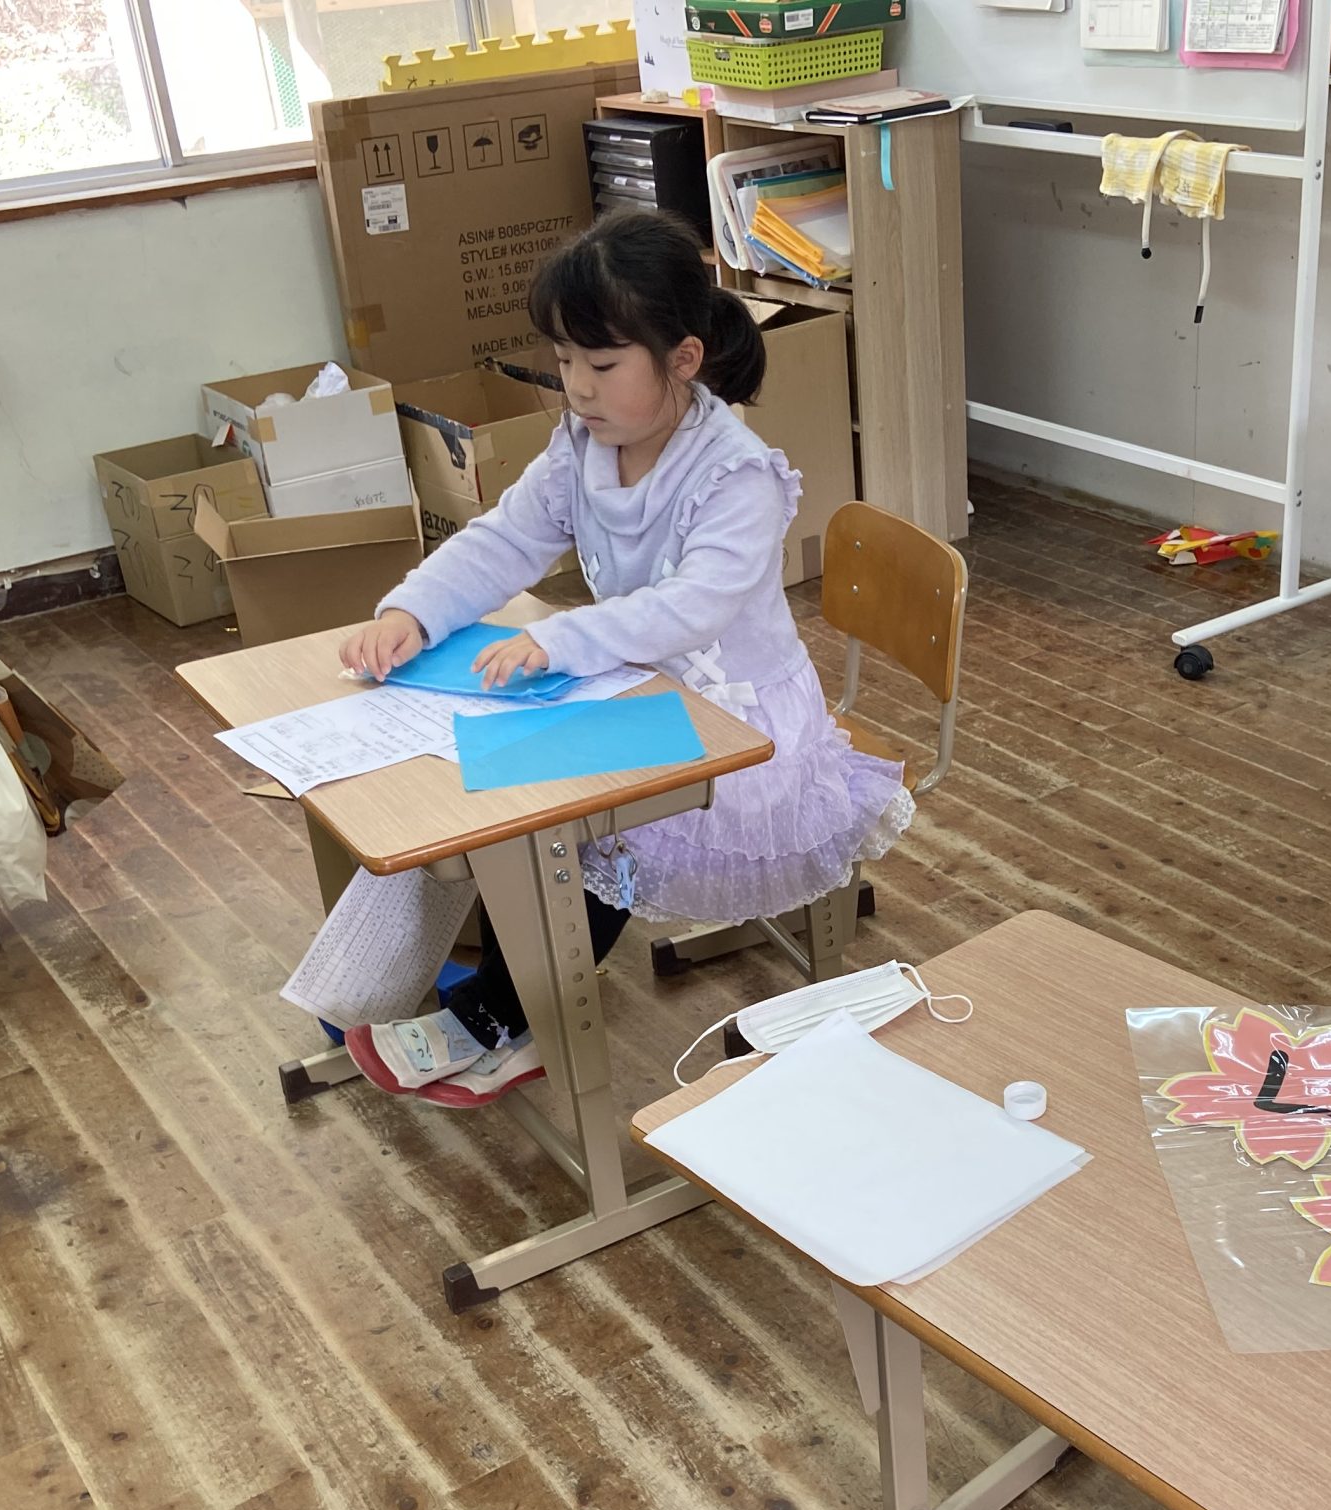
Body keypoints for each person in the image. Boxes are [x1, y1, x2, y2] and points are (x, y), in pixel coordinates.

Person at [334, 210, 912, 1106]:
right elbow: (506, 539)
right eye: (566, 360)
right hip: (636, 685)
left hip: (742, 720)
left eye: (602, 366)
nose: (578, 387)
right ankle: (473, 981)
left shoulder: (737, 474)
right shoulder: (581, 447)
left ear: (683, 359)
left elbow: (696, 605)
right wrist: (415, 610)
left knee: (589, 823)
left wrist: (559, 638)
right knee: (493, 783)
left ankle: (508, 1018)